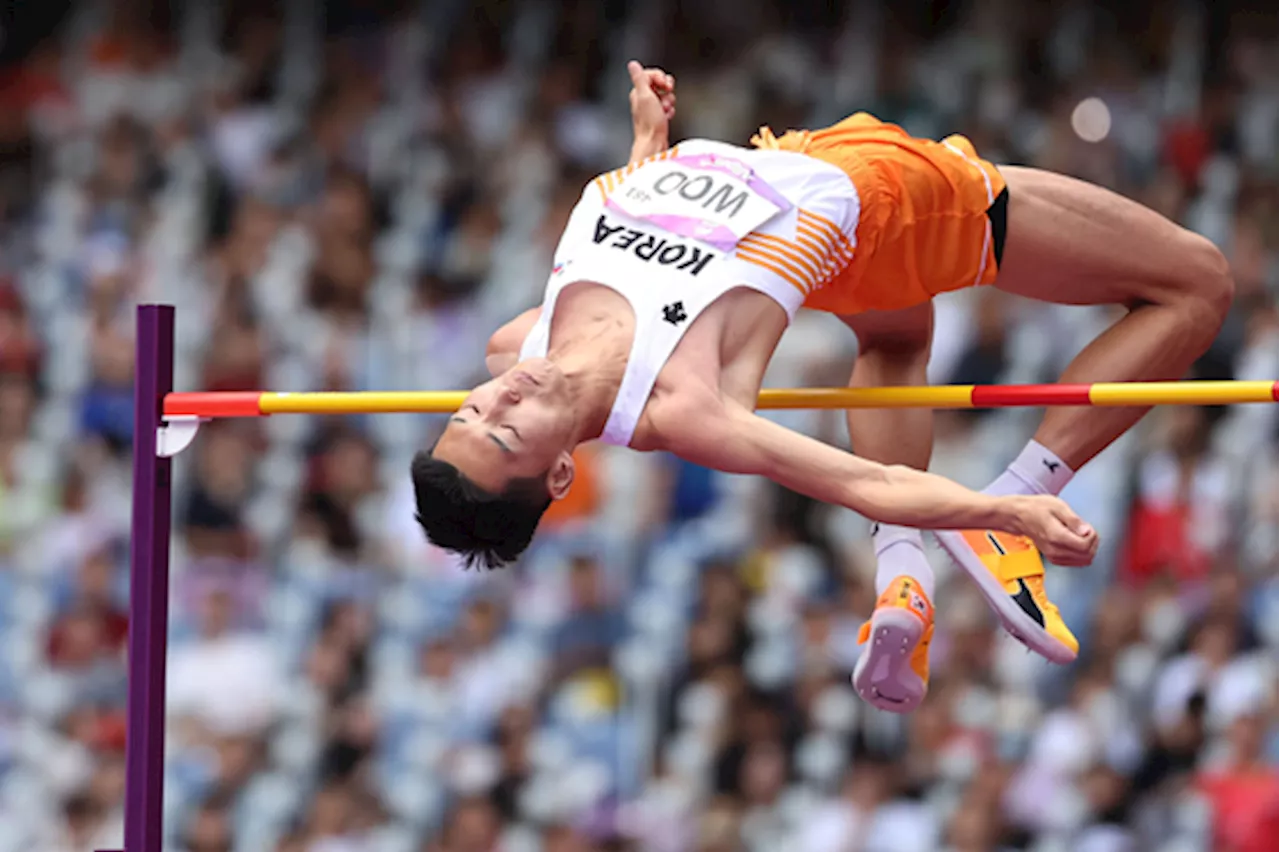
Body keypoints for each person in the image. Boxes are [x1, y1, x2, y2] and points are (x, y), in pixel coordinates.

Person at [413, 62, 1232, 713]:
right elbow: (862, 480)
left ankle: (902, 573)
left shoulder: (518, 344)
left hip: (807, 180)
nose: (502, 398)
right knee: (1196, 283)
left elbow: (648, 251)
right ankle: (1028, 484)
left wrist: (647, 151)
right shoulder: (686, 407)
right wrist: (1005, 509)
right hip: (893, 204)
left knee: (894, 341)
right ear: (562, 473)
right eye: (507, 432)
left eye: (474, 409)